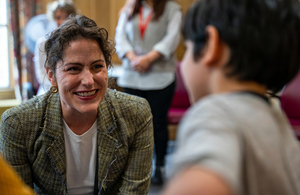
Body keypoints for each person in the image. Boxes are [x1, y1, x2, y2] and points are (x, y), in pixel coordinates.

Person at [0, 15, 153, 195]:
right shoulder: (19, 123)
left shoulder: (135, 113)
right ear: (51, 75)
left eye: (97, 66)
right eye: (73, 68)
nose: (88, 81)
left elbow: (133, 191)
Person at [163, 0, 300, 194]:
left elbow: (203, 185)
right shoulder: (277, 122)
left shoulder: (216, 113)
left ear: (211, 45)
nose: (183, 64)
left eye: (186, 49)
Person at [115, 0, 182, 185]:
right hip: (132, 74)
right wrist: (133, 58)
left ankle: (159, 166)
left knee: (158, 122)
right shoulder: (130, 7)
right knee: (131, 125)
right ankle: (133, 167)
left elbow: (172, 38)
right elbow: (120, 37)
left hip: (160, 76)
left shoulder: (172, 9)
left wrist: (149, 59)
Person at [34, 0, 77, 95]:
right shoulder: (43, 43)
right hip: (49, 88)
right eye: (58, 17)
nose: (62, 21)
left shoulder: (78, 42)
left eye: (66, 17)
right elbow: (42, 74)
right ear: (52, 18)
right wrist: (57, 88)